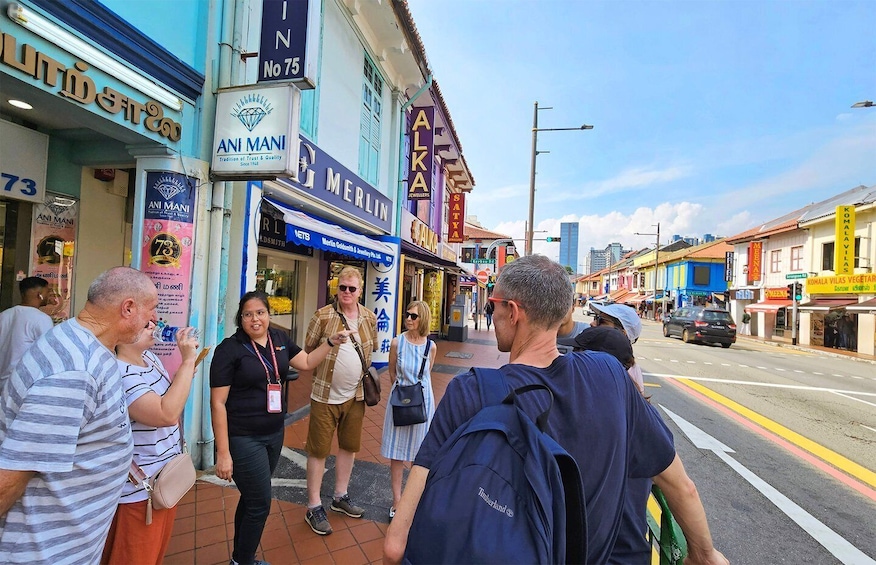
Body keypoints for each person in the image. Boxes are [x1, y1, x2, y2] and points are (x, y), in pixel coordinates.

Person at [384, 255, 727, 565]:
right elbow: (682, 486)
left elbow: (396, 544)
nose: (492, 313)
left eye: (493, 305)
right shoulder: (611, 377)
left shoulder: (469, 391)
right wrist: (704, 554)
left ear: (513, 312)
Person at [0, 267, 159, 564]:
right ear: (128, 308)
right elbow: (10, 477)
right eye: (152, 309)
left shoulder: (83, 342)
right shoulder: (76, 370)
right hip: (42, 552)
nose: (154, 319)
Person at [211, 291, 350, 565]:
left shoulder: (279, 340)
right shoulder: (230, 349)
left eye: (260, 313)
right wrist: (223, 453)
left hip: (274, 433)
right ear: (241, 318)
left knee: (252, 499)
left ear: (269, 314)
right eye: (248, 314)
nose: (255, 319)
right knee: (261, 503)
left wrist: (330, 342)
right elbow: (218, 403)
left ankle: (239, 558)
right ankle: (244, 560)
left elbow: (308, 363)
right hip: (243, 437)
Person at [101, 325, 200, 564]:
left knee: (155, 555)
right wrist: (187, 363)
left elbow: (165, 398)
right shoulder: (120, 371)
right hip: (139, 491)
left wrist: (182, 376)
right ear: (123, 334)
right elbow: (165, 413)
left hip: (165, 479)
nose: (154, 327)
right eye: (146, 324)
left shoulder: (150, 358)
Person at [303, 266, 377, 535]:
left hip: (356, 396)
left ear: (359, 290)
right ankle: (313, 506)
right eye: (342, 287)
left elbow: (372, 349)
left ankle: (340, 496)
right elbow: (308, 349)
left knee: (348, 447)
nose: (346, 292)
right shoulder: (322, 315)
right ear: (337, 288)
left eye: (352, 288)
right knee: (318, 450)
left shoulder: (368, 317)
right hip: (324, 396)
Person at [381, 301, 436, 520]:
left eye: (414, 316)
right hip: (400, 400)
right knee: (396, 454)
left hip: (422, 403)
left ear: (422, 319)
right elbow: (392, 372)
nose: (409, 319)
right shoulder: (397, 343)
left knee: (418, 455)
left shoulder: (430, 346)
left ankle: (413, 501)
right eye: (407, 315)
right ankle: (397, 501)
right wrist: (403, 393)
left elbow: (427, 374)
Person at [0, 276, 54, 380]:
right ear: (40, 294)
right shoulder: (42, 319)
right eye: (47, 292)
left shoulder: (4, 315)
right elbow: (48, 353)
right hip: (23, 382)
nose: (49, 295)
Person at [589, 302, 645, 395]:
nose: (592, 323)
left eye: (601, 321)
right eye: (595, 318)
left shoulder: (620, 372)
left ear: (622, 333)